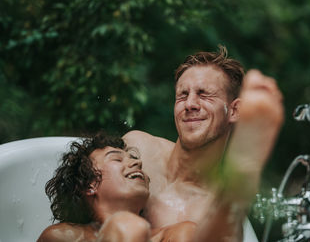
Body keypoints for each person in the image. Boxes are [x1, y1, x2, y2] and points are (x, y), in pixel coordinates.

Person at [123, 45, 284, 240]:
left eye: (203, 94)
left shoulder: (213, 210)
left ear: (234, 111)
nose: (189, 104)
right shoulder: (138, 149)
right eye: (182, 95)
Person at [37, 133, 196, 242]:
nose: (137, 163)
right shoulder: (61, 237)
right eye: (117, 159)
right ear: (89, 184)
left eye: (134, 159)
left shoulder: (178, 235)